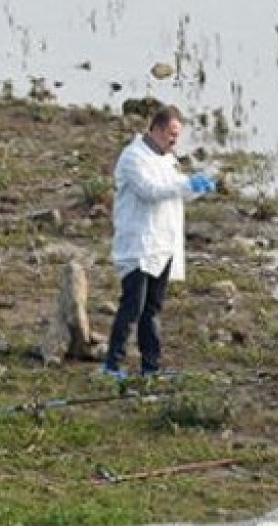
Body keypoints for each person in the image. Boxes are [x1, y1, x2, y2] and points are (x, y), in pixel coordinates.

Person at [101, 106, 215, 380]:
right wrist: (187, 184)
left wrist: (197, 188)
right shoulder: (133, 158)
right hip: (139, 246)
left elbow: (177, 192)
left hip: (163, 247)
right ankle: (112, 366)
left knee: (152, 310)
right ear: (157, 129)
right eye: (172, 134)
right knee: (132, 308)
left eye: (177, 135)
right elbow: (149, 191)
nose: (175, 140)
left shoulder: (167, 158)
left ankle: (151, 367)